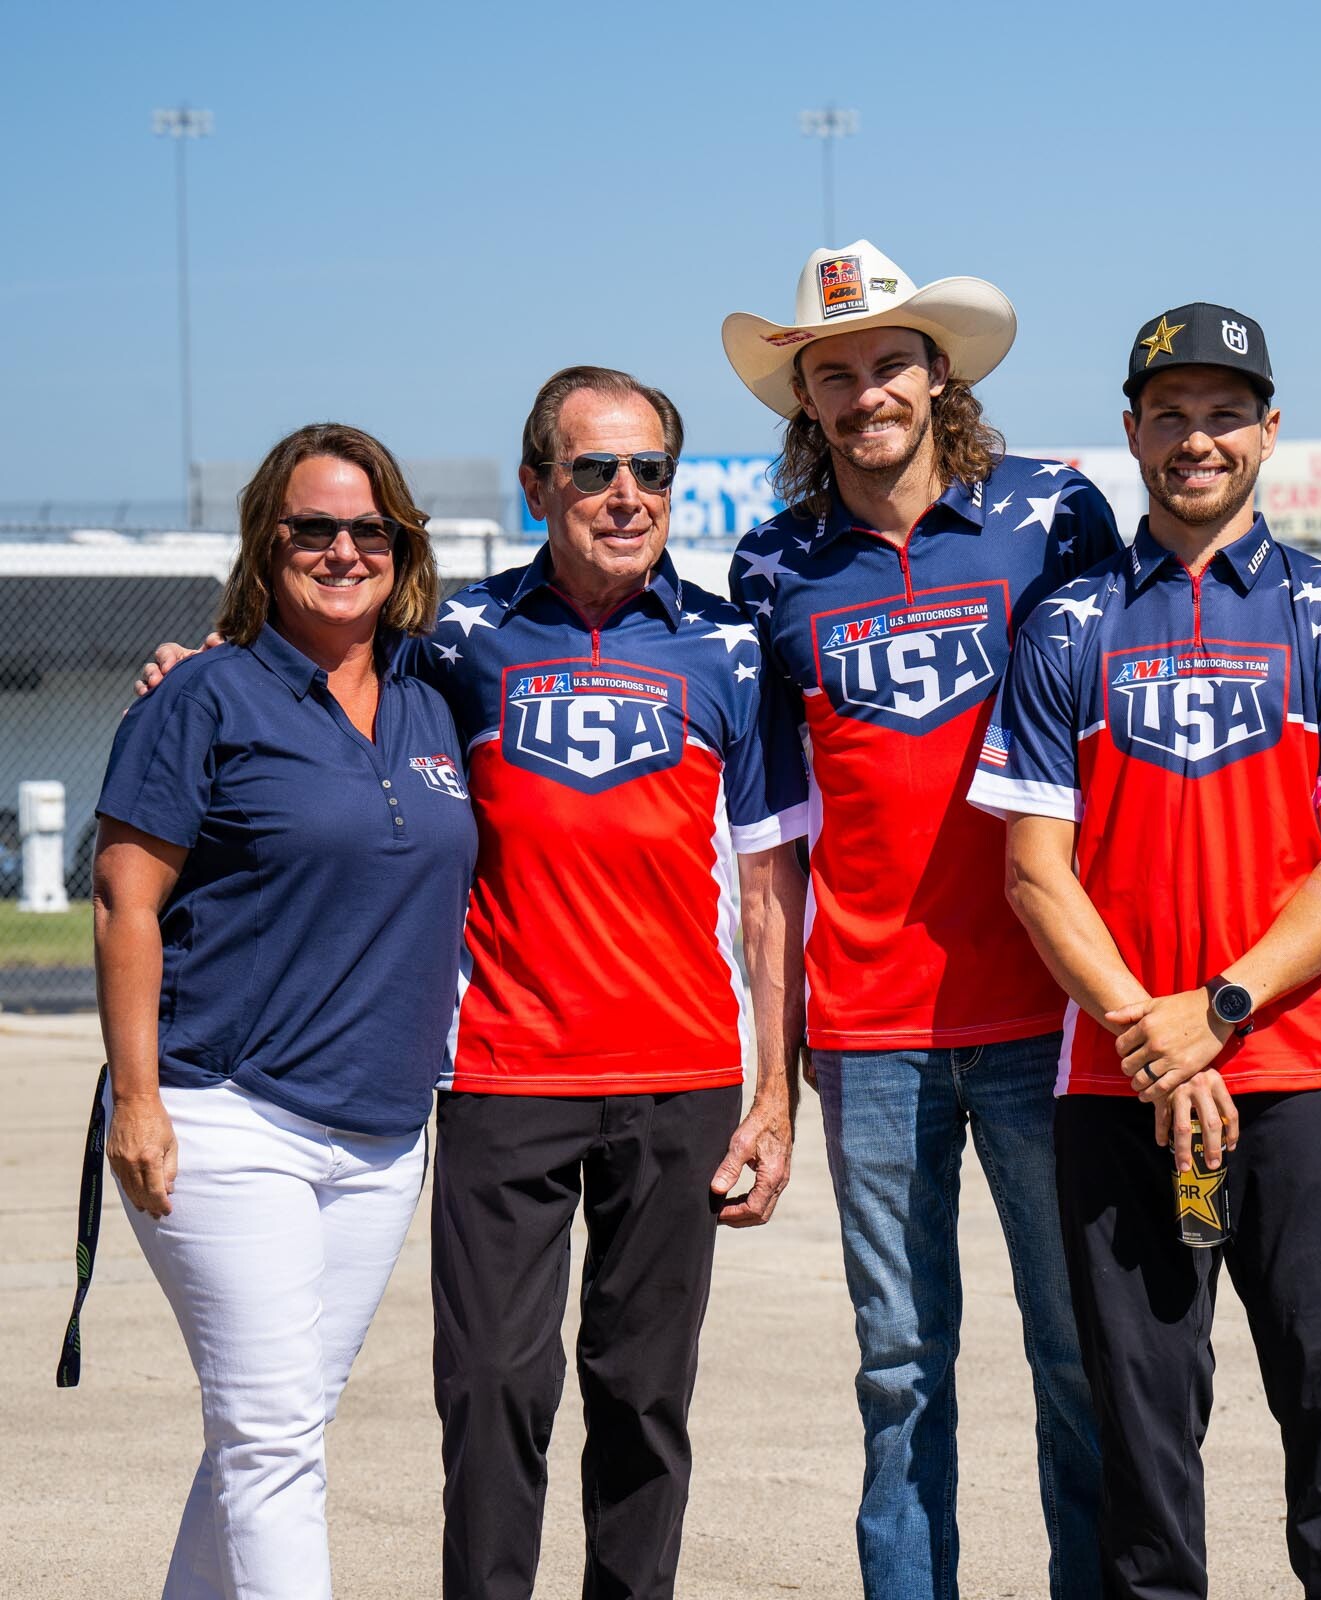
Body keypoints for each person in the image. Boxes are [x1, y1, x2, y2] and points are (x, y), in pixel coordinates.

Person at [139, 367, 805, 1599]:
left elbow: (769, 892)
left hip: (685, 1076)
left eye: (648, 470)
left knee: (643, 1396)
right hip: (503, 1075)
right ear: (539, 480)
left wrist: (776, 1096)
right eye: (594, 468)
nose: (624, 494)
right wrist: (205, 665)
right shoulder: (458, 641)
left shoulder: (730, 651)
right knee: (493, 1388)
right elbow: (315, 665)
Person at [968, 303, 1321, 1600]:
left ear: (1271, 429)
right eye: (1171, 412)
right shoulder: (1065, 625)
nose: (1197, 437)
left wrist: (1217, 1010)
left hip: (1302, 1081)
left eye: (1225, 412)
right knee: (1146, 1468)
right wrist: (1149, 1039)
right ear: (1131, 432)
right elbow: (1034, 871)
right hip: (1116, 1091)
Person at [721, 241, 1117, 1597]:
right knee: (899, 1368)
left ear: (938, 372)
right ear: (805, 402)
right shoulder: (772, 569)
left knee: (1078, 1357)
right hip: (872, 1033)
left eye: (888, 362)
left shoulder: (1056, 518)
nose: (864, 392)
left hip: (1045, 1016)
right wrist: (771, 1081)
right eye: (833, 374)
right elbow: (769, 854)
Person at [93, 423, 477, 1598]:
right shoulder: (207, 694)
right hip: (223, 1116)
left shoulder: (436, 693)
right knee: (273, 1444)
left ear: (403, 545)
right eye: (315, 527)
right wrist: (141, 1102)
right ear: (269, 543)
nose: (344, 550)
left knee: (272, 1427)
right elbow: (123, 899)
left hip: (378, 1133)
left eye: (371, 529)